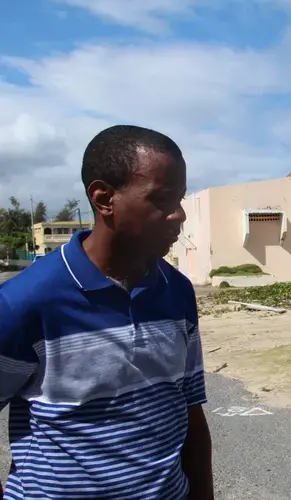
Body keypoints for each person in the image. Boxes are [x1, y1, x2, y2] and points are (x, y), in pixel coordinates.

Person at [0, 125, 214, 499]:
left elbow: (189, 410)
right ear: (103, 199)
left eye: (180, 200)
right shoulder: (25, 302)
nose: (178, 215)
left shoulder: (177, 291)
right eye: (161, 200)